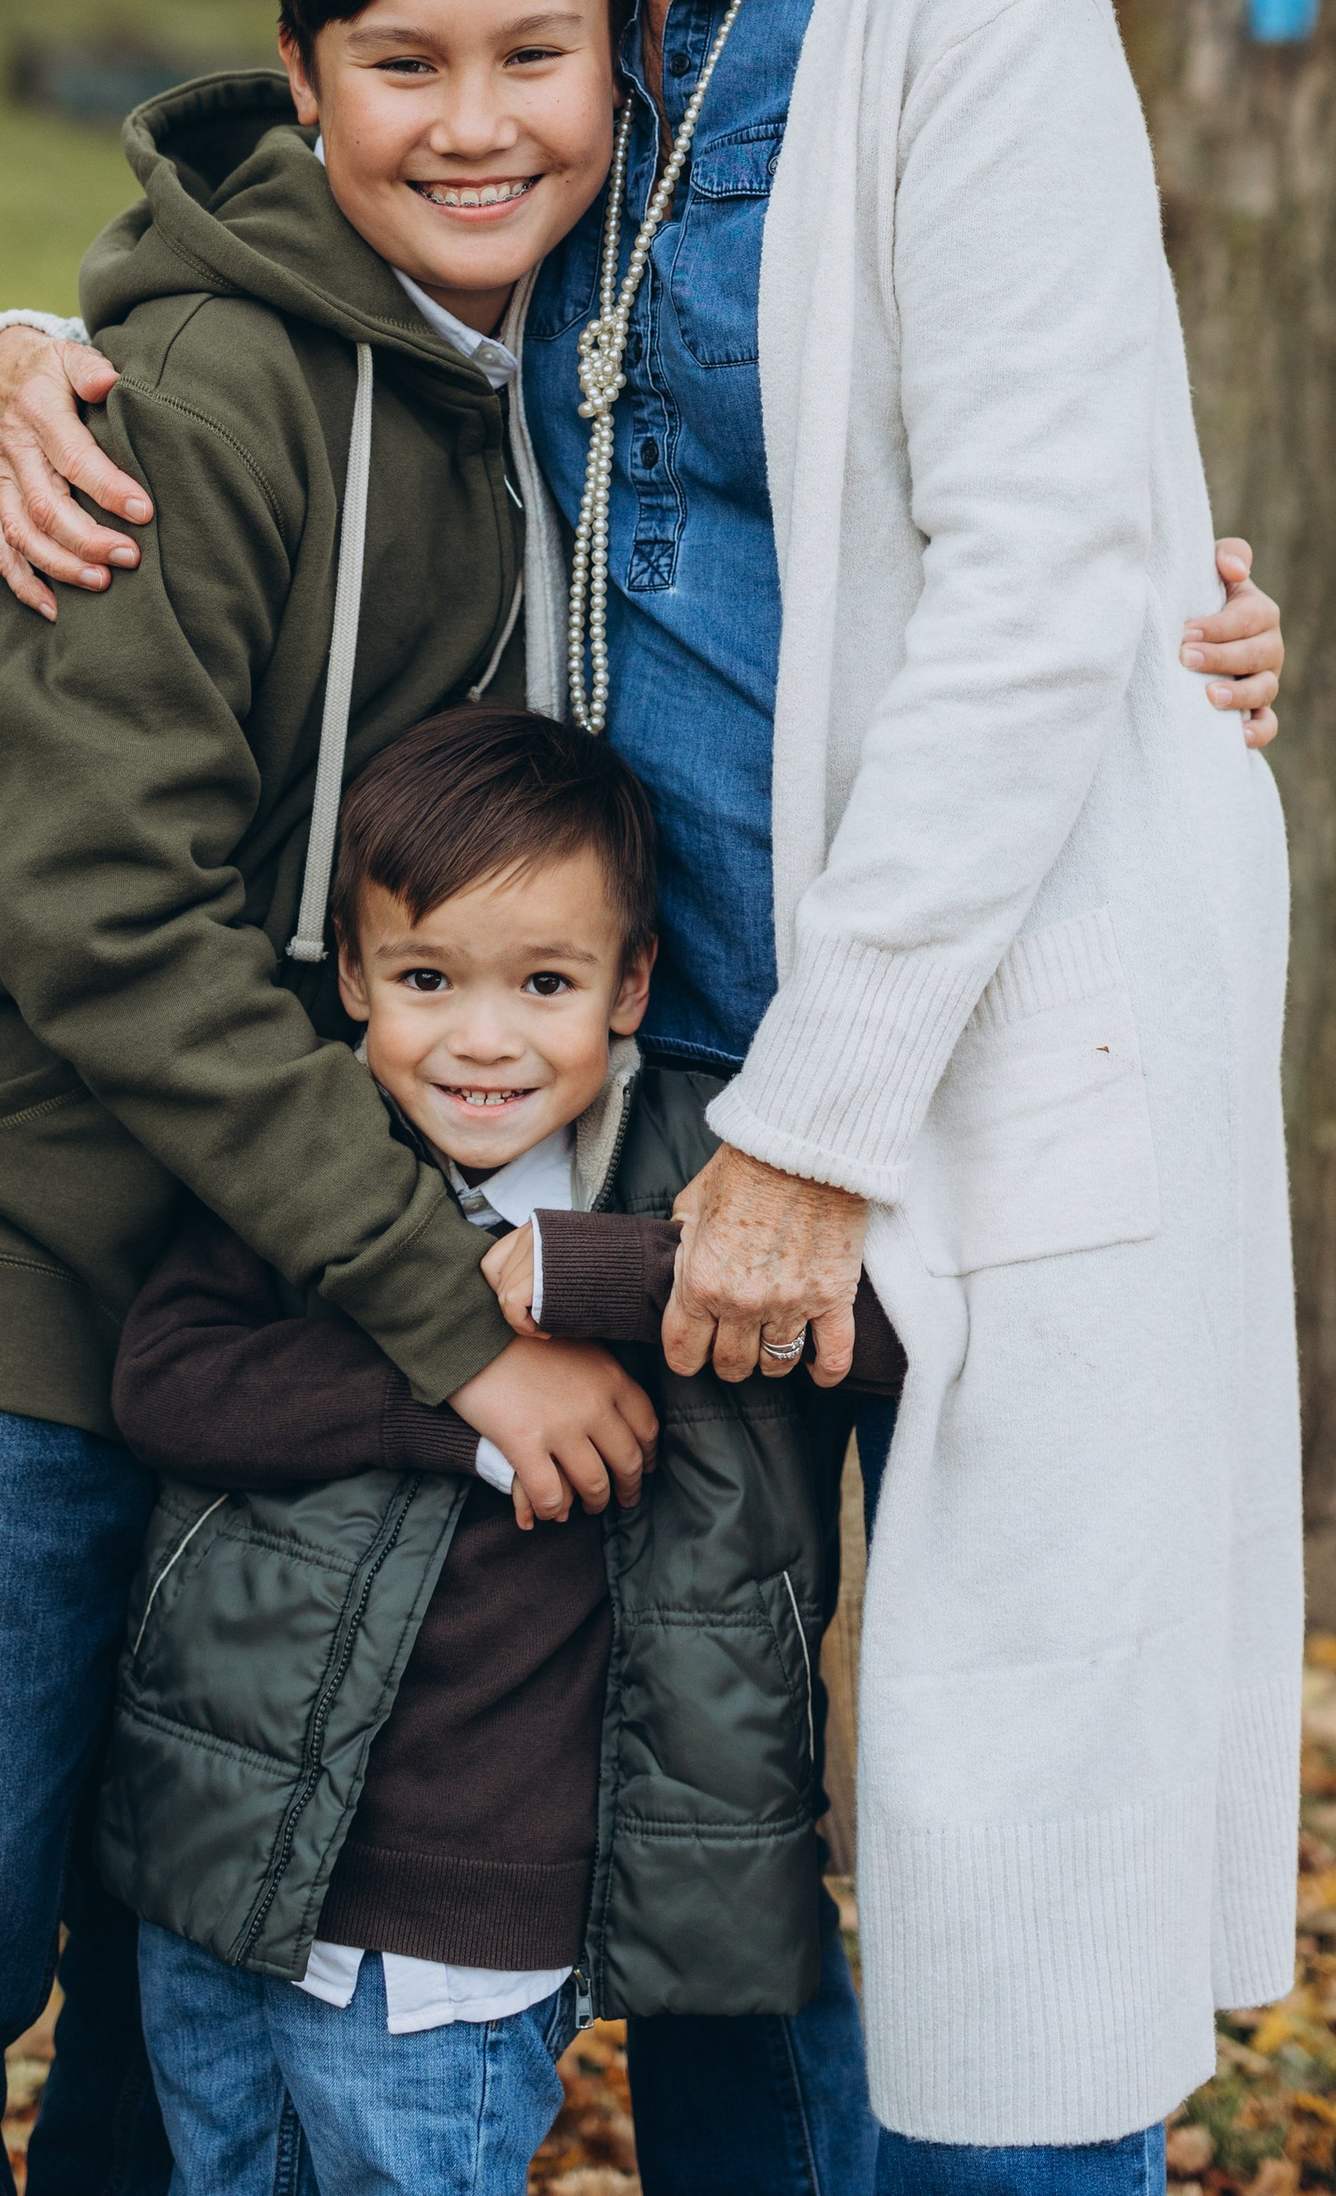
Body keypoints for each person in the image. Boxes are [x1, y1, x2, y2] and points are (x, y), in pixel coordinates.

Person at [0, 0, 1302, 2196]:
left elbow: (1054, 547)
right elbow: (293, 224)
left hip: (956, 1060)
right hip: (630, 1081)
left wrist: (820, 1122)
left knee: (989, 1874)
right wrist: (6, 367)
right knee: (713, 1856)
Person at [0, 0, 662, 2196]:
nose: (473, 124)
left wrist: (1154, 627)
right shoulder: (206, 402)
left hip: (250, 1311)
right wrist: (448, 1310)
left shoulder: (556, 396)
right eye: (401, 62)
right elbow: (100, 915)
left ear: (619, 67)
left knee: (190, 2034)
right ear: (299, 70)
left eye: (531, 58)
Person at [104, 705, 904, 2196]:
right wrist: (455, 1395)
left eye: (545, 982)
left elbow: (875, 1324)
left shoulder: (701, 1173)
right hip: (223, 1852)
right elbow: (168, 1382)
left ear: (630, 984)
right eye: (424, 979)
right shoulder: (320, 1164)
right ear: (351, 977)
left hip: (472, 1906)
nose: (483, 1038)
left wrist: (583, 1276)